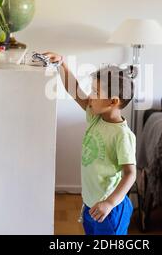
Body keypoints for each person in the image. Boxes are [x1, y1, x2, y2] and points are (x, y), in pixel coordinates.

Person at [44, 52, 137, 235]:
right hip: (91, 204)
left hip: (110, 209)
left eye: (95, 92)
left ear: (112, 101)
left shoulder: (122, 135)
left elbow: (130, 174)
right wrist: (62, 64)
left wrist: (109, 203)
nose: (90, 96)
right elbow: (75, 89)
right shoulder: (96, 117)